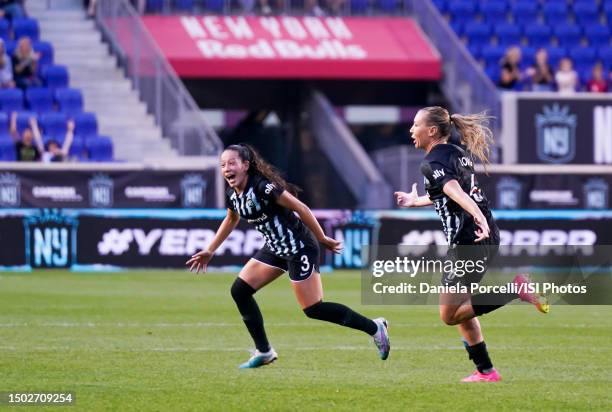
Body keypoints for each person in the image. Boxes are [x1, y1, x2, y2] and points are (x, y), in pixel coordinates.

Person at [186, 144, 390, 369]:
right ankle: (264, 351)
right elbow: (232, 218)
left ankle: (374, 327)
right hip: (275, 248)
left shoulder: (263, 187)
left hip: (299, 247)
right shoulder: (232, 195)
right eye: (223, 165)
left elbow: (301, 208)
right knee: (240, 291)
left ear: (246, 165)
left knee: (313, 309)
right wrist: (210, 249)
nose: (226, 169)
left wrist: (321, 237)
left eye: (232, 163)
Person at [394, 107, 549, 382]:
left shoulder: (431, 162)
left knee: (449, 315)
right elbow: (448, 193)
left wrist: (477, 217)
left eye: (416, 124)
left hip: (469, 240)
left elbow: (454, 191)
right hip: (484, 236)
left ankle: (516, 289)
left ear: (431, 131)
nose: (411, 130)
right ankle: (486, 371)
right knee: (462, 309)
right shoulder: (456, 153)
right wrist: (415, 201)